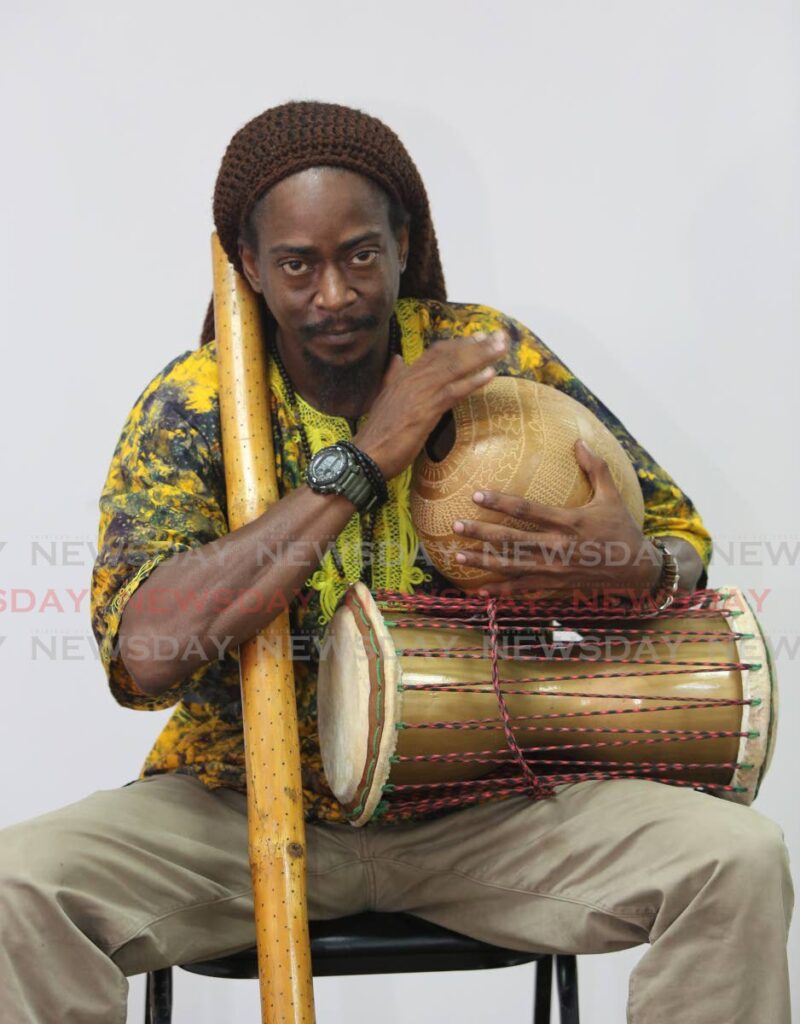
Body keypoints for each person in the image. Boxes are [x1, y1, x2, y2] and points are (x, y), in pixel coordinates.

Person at [0, 101, 791, 1024]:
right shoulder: (195, 402)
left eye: (359, 255)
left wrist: (639, 568)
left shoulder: (484, 356)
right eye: (297, 264)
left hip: (489, 798)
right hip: (239, 802)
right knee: (23, 885)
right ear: (250, 267)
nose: (332, 293)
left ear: (405, 245)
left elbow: (681, 544)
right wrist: (362, 463)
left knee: (737, 860)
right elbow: (145, 654)